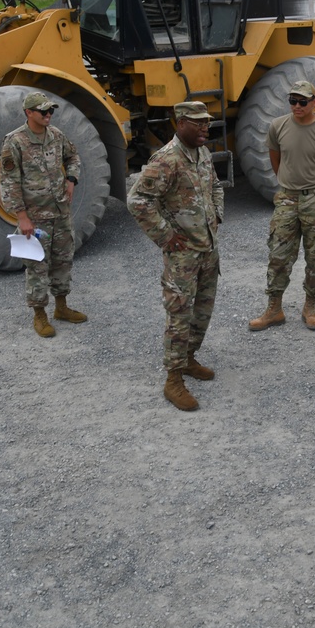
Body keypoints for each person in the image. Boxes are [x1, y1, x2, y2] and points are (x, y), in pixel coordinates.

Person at [128, 101, 224, 412]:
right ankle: (173, 379)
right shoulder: (167, 158)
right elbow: (138, 200)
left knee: (203, 311)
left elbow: (216, 187)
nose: (204, 128)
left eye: (207, 122)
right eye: (197, 123)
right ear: (179, 122)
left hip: (208, 249)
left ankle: (189, 359)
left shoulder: (203, 153)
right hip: (182, 255)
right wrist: (166, 236)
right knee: (179, 316)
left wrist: (217, 216)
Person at [249, 80, 315, 332]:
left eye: (302, 101)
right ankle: (274, 309)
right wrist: (287, 183)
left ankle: (310, 307)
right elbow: (275, 158)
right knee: (278, 255)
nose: (297, 106)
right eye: (293, 101)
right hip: (287, 198)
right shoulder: (277, 126)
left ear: (314, 101)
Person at [0, 91, 86, 338]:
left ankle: (61, 307)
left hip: (60, 212)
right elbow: (10, 181)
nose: (48, 115)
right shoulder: (15, 142)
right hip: (35, 218)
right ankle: (40, 315)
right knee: (36, 266)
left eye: (51, 111)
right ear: (29, 113)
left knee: (63, 260)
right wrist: (22, 217)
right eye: (43, 111)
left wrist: (71, 179)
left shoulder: (56, 135)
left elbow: (73, 156)